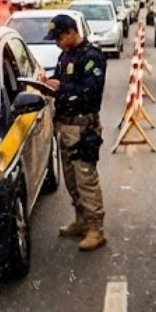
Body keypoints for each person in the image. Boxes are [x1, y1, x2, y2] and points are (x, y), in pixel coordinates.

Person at [43, 13, 109, 251]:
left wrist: (61, 88)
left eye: (59, 37)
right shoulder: (65, 56)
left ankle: (96, 229)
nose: (56, 42)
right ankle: (81, 220)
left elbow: (90, 91)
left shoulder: (92, 57)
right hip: (66, 125)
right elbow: (61, 82)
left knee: (85, 179)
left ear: (71, 32)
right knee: (71, 179)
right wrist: (47, 84)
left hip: (83, 127)